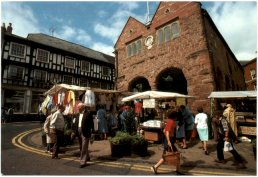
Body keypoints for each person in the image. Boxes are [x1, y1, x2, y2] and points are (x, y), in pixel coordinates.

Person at [151, 109, 183, 175]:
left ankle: (178, 169)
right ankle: (155, 167)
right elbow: (167, 132)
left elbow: (164, 130)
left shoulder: (171, 122)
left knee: (173, 155)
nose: (177, 117)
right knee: (169, 156)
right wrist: (168, 141)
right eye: (176, 116)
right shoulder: (171, 122)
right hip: (168, 140)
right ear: (174, 116)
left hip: (169, 140)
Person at [78, 103, 94, 168]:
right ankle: (87, 157)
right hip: (79, 131)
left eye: (78, 107)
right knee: (82, 146)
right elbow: (76, 122)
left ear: (82, 107)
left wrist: (92, 132)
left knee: (84, 147)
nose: (77, 108)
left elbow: (91, 123)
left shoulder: (88, 113)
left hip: (85, 132)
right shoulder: (78, 113)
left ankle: (82, 162)